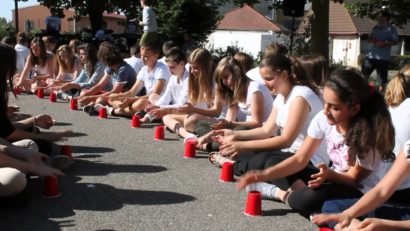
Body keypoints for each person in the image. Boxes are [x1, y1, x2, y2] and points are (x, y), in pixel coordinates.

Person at [236, 69, 395, 218]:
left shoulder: (368, 135)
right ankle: (302, 198)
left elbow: (354, 179)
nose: (325, 111)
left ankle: (279, 193)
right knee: (273, 162)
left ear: (354, 109)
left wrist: (329, 175)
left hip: (359, 190)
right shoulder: (323, 118)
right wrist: (263, 175)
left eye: (334, 107)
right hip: (330, 176)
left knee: (305, 199)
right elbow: (300, 159)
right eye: (325, 102)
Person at [210, 53, 324, 172]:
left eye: (269, 79)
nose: (265, 83)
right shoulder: (281, 96)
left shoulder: (301, 96)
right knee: (255, 156)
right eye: (264, 79)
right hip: (289, 152)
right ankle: (244, 167)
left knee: (265, 160)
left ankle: (243, 169)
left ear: (284, 75)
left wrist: (241, 145)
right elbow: (266, 130)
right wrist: (233, 134)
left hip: (309, 158)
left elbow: (286, 140)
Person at [312, 141, 410, 230]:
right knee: (333, 206)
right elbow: (381, 191)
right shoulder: (408, 148)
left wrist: (387, 225)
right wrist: (348, 215)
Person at [196, 56, 273, 151]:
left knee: (239, 130)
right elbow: (228, 122)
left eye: (226, 77)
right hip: (240, 128)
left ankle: (209, 145)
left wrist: (228, 126)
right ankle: (217, 142)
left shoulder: (255, 89)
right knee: (201, 124)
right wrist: (212, 132)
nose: (224, 83)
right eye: (222, 80)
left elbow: (257, 123)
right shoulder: (235, 90)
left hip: (257, 131)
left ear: (236, 73)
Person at [162, 48, 222, 141]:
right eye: (191, 68)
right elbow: (190, 107)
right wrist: (164, 110)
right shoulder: (195, 81)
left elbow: (216, 112)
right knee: (167, 117)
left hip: (218, 120)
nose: (192, 71)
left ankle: (185, 129)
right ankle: (188, 136)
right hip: (199, 117)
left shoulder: (216, 83)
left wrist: (193, 110)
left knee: (190, 120)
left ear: (206, 67)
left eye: (196, 68)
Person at [80, 42, 136, 112]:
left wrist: (91, 97)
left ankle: (95, 106)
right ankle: (93, 105)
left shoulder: (123, 69)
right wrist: (85, 95)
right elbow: (99, 85)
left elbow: (115, 91)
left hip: (125, 95)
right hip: (116, 94)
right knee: (84, 93)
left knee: (100, 99)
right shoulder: (110, 67)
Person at [143, 47, 189, 122]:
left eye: (172, 67)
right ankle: (154, 116)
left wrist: (158, 107)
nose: (169, 70)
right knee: (153, 96)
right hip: (176, 109)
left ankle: (160, 117)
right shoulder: (173, 78)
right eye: (168, 67)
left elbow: (181, 105)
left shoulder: (189, 80)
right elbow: (164, 100)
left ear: (182, 64)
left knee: (167, 118)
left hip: (187, 112)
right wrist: (148, 116)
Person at [361, 11, 399, 89]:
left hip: (383, 58)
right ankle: (361, 94)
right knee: (362, 77)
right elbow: (369, 39)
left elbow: (396, 42)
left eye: (380, 17)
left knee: (382, 82)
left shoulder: (392, 29)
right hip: (371, 56)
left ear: (385, 18)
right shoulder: (375, 28)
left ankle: (381, 97)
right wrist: (374, 41)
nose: (378, 18)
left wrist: (385, 42)